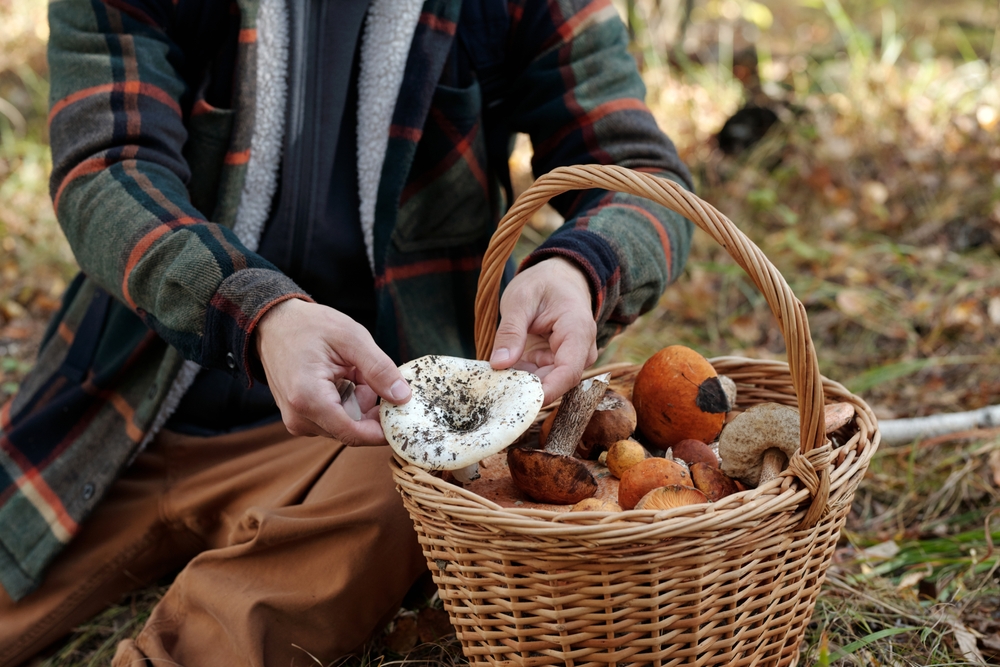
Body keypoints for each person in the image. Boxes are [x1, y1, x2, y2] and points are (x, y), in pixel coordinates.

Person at [0, 0, 694, 664]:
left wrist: (581, 268)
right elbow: (106, 166)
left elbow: (642, 171)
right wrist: (260, 313)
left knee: (416, 494)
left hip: (362, 431)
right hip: (125, 409)